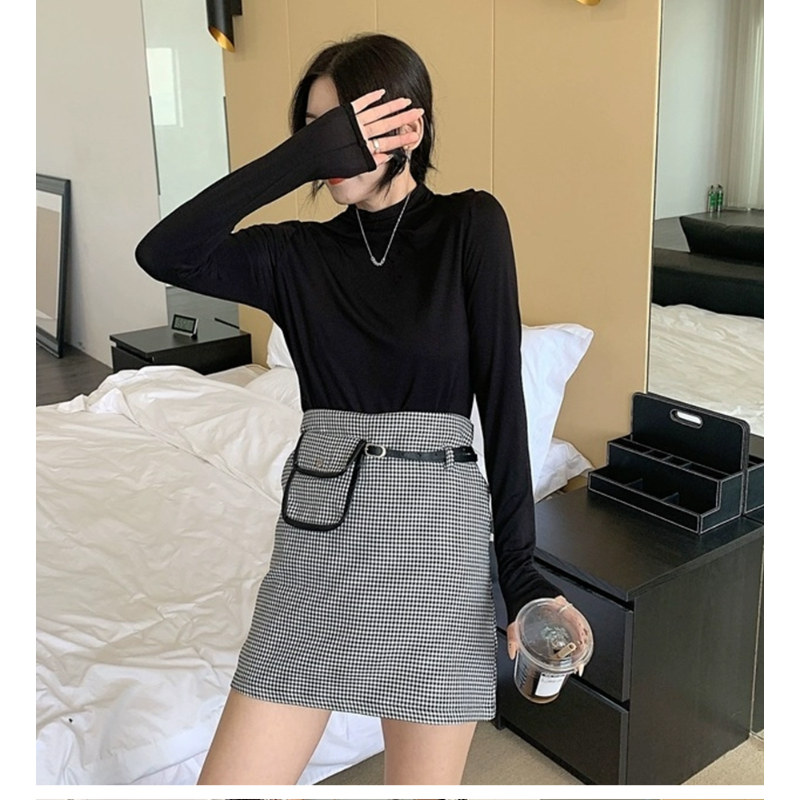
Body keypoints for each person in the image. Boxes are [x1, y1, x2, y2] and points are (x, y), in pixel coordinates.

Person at [135, 32, 588, 786]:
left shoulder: (471, 225)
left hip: (438, 546)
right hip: (319, 538)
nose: (329, 148)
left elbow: (503, 409)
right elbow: (165, 253)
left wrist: (519, 573)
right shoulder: (295, 254)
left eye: (346, 127)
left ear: (408, 129)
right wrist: (299, 159)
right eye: (315, 131)